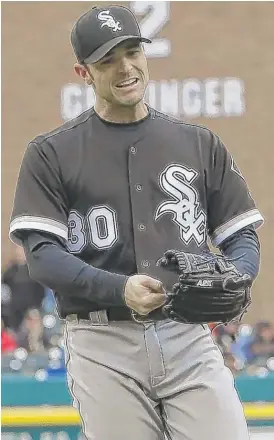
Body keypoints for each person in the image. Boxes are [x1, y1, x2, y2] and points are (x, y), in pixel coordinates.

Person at [9, 5, 263, 440]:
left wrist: (239, 274)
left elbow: (242, 235)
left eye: (132, 51)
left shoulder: (198, 144)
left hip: (187, 336)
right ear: (83, 72)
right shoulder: (51, 153)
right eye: (107, 59)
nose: (125, 67)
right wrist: (118, 288)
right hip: (101, 341)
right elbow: (43, 258)